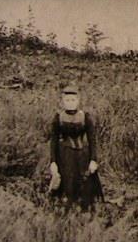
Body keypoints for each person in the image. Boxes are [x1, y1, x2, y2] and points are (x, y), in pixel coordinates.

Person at [48, 82, 102, 210]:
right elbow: (53, 141)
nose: (70, 102)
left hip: (82, 155)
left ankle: (85, 211)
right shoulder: (58, 118)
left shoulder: (85, 117)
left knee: (85, 183)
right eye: (67, 100)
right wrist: (53, 162)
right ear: (62, 102)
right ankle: (67, 209)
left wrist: (93, 159)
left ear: (78, 101)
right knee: (67, 183)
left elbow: (92, 140)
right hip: (65, 156)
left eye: (73, 100)